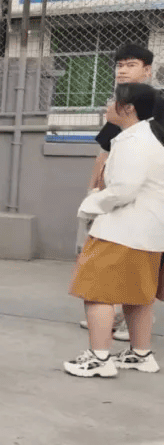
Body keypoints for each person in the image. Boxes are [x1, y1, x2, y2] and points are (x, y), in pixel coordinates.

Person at [66, 82, 164, 378]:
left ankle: (99, 359)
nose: (107, 105)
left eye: (112, 100)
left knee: (96, 292)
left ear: (128, 108)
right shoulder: (146, 137)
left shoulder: (135, 142)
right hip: (146, 232)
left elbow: (123, 189)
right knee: (137, 297)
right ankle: (140, 354)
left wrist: (90, 204)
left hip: (122, 231)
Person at [80, 45, 156, 342]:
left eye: (131, 65)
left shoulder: (152, 107)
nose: (122, 70)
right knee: (124, 270)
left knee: (140, 273)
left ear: (147, 70)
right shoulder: (120, 108)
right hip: (116, 208)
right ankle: (120, 323)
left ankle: (116, 339)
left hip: (142, 209)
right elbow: (104, 153)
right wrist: (93, 191)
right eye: (119, 65)